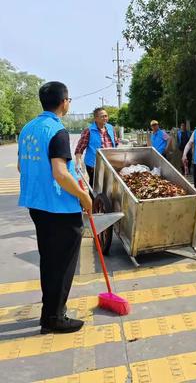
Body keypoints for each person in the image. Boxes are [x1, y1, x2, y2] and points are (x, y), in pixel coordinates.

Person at [18, 81, 92, 334]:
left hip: (37, 205)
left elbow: (21, 167)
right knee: (62, 264)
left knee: (49, 260)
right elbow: (60, 173)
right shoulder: (56, 131)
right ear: (64, 102)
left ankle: (48, 310)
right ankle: (54, 317)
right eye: (69, 99)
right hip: (60, 208)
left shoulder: (28, 129)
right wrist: (83, 195)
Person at [75, 107, 118, 186]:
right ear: (96, 118)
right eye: (102, 116)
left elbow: (115, 144)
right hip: (94, 165)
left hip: (109, 163)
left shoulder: (111, 128)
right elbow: (79, 149)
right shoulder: (89, 131)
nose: (105, 118)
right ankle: (92, 198)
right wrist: (78, 162)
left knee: (108, 186)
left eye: (106, 116)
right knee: (95, 187)